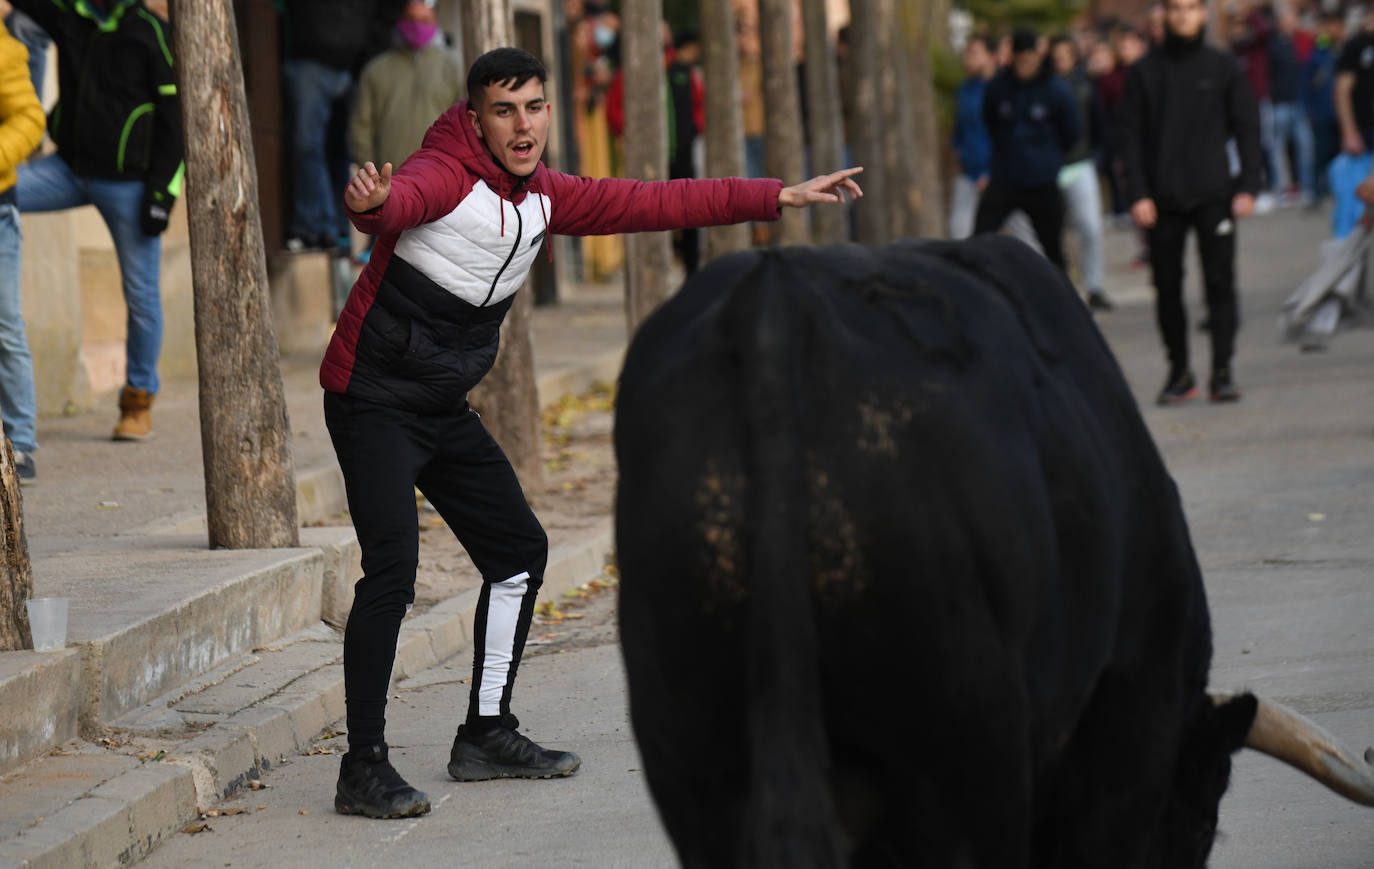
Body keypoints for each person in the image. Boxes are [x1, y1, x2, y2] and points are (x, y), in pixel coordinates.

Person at [321, 47, 862, 820]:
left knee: (518, 551)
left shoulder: (546, 197)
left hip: (439, 407)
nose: (523, 125)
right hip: (370, 399)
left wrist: (778, 195)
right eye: (504, 110)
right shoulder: (445, 175)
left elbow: (658, 201)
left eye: (535, 107)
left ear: (549, 113)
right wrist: (370, 206)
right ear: (476, 117)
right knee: (393, 572)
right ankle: (362, 766)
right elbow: (399, 201)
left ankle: (484, 731)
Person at [12, 0, 182, 441]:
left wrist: (162, 194)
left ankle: (137, 401)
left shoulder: (149, 30)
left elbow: (175, 120)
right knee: (2, 189)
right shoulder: (69, 13)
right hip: (66, 170)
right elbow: (25, 13)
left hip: (129, 185)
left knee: (141, 297)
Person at [1120, 0, 1261, 405]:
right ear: (1164, 14)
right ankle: (1179, 371)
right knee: (1167, 287)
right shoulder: (1144, 72)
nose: (1183, 15)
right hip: (1162, 200)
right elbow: (1129, 138)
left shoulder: (1222, 67)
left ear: (1203, 14)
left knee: (1220, 283)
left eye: (1191, 7)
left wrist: (1249, 184)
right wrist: (1138, 193)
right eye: (1175, 8)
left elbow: (1246, 126)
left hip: (1214, 195)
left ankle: (1222, 371)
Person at [283, 0, 402, 252]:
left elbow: (388, 10)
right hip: (310, 54)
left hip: (354, 64)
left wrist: (366, 57)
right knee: (307, 145)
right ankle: (316, 226)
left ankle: (337, 228)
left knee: (342, 151)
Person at [974, 27, 1079, 272]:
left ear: (1037, 57)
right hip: (1005, 177)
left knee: (1053, 249)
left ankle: (1062, 300)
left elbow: (1071, 133)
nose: (1024, 66)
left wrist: (1049, 160)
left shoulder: (1056, 89)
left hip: (1042, 180)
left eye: (1028, 60)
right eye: (1019, 61)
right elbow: (989, 122)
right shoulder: (998, 87)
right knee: (978, 240)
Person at [0, 21, 43, 483]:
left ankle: (23, 443)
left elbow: (30, 119)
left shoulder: (4, 48)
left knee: (5, 324)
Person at [349, 0, 463, 171]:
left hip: (441, 180)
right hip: (391, 181)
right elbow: (361, 127)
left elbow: (465, 124)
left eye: (424, 20)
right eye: (411, 19)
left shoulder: (455, 67)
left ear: (436, 21)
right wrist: (373, 172)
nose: (417, 26)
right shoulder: (376, 70)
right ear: (400, 19)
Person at [1050, 34, 1112, 311]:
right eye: (1056, 55)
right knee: (1056, 234)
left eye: (1066, 54)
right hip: (1050, 170)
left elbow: (1099, 127)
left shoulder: (1085, 86)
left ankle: (1094, 286)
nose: (1061, 60)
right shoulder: (1043, 88)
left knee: (1090, 227)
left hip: (1080, 163)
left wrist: (1096, 160)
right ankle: (1061, 289)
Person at [1268, 5, 1316, 206]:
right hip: (1280, 103)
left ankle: (1306, 187)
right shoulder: (1272, 44)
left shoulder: (1301, 41)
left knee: (1306, 146)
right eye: (1289, 19)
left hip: (1299, 102)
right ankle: (1283, 189)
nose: (1293, 23)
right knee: (1277, 148)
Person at [949, 35, 995, 240]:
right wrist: (958, 150)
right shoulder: (965, 89)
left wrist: (991, 170)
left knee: (1024, 238)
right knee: (959, 233)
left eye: (974, 53)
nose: (968, 59)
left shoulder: (1000, 89)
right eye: (967, 54)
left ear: (990, 56)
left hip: (999, 177)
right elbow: (961, 129)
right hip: (969, 174)